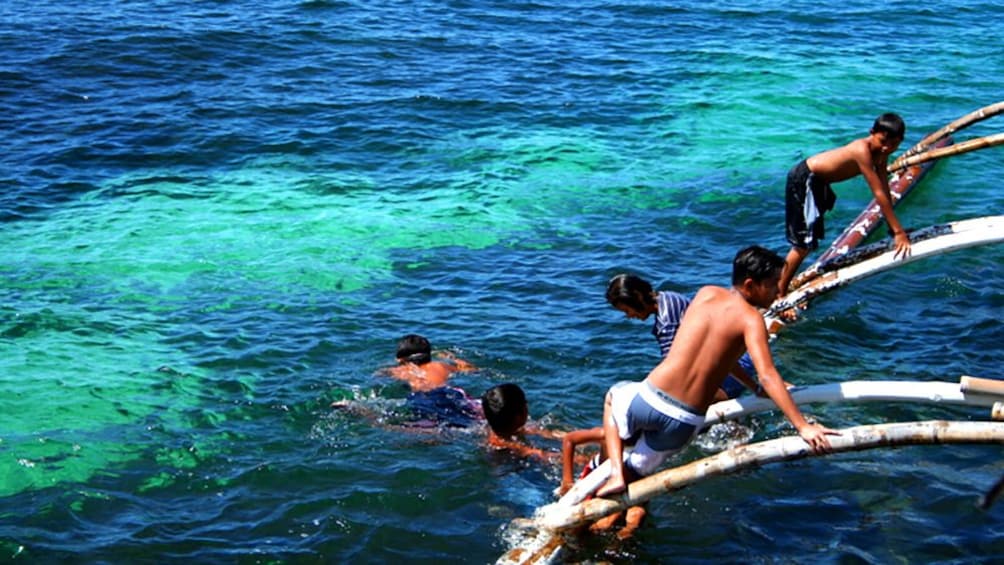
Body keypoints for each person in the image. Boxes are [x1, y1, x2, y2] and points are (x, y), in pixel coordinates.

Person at [596, 245, 840, 498]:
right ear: (750, 284)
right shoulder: (751, 320)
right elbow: (765, 373)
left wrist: (753, 387)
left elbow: (710, 355)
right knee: (634, 479)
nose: (779, 289)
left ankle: (613, 472)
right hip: (683, 423)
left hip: (648, 401)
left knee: (614, 395)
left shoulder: (706, 294)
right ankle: (621, 482)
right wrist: (802, 426)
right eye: (773, 283)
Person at [778, 112, 911, 297]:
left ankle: (780, 287)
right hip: (805, 178)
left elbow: (885, 188)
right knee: (803, 245)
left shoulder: (881, 153)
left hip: (819, 182)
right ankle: (779, 294)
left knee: (810, 239)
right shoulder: (861, 150)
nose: (887, 148)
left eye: (894, 144)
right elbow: (877, 192)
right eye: (882, 141)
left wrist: (894, 227)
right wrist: (898, 232)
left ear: (901, 140)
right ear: (872, 132)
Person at [606, 274, 763, 401]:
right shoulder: (668, 298)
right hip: (738, 362)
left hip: (731, 372)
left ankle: (728, 409)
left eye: (627, 310)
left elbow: (673, 371)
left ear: (638, 297)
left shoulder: (666, 322)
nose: (629, 316)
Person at [560, 424, 646, 539]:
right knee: (595, 522)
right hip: (599, 477)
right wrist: (567, 480)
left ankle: (619, 542)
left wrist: (629, 527)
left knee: (636, 516)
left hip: (630, 482)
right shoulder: (606, 434)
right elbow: (569, 439)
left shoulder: (649, 445)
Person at [386, 334, 476, 392]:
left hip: (424, 399)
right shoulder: (441, 366)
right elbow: (471, 369)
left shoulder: (399, 371)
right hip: (450, 392)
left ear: (400, 359)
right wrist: (453, 358)